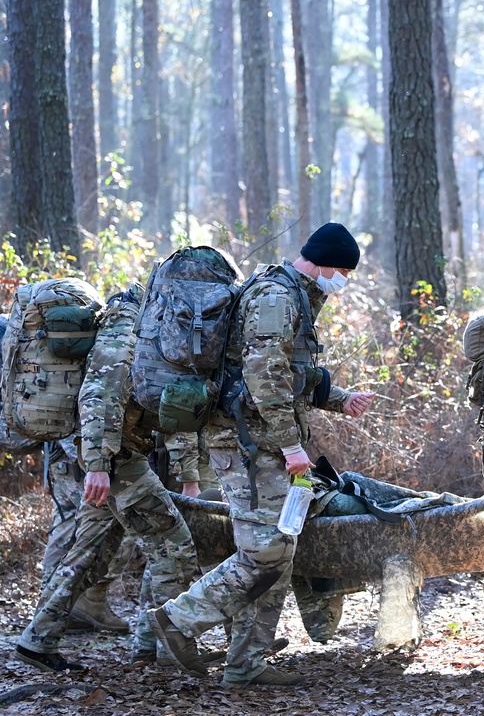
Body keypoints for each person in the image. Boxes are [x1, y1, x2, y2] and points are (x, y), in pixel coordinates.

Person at [148, 223, 376, 688]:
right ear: (324, 262)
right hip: (250, 444)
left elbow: (291, 376)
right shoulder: (275, 297)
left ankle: (246, 663)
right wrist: (293, 446)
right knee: (266, 551)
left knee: (278, 550)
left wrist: (337, 398)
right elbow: (263, 377)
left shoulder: (294, 294)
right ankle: (178, 619)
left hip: (262, 439)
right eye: (343, 272)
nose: (343, 282)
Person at [13, 285, 207, 673]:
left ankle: (39, 639)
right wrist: (99, 464)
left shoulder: (139, 326)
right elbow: (98, 393)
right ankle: (172, 655)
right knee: (173, 544)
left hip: (117, 456)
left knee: (91, 554)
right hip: (115, 461)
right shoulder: (123, 331)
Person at [40, 436, 134, 635]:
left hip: (64, 460)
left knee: (64, 531)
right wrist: (97, 465)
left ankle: (50, 613)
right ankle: (89, 601)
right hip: (84, 465)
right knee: (114, 525)